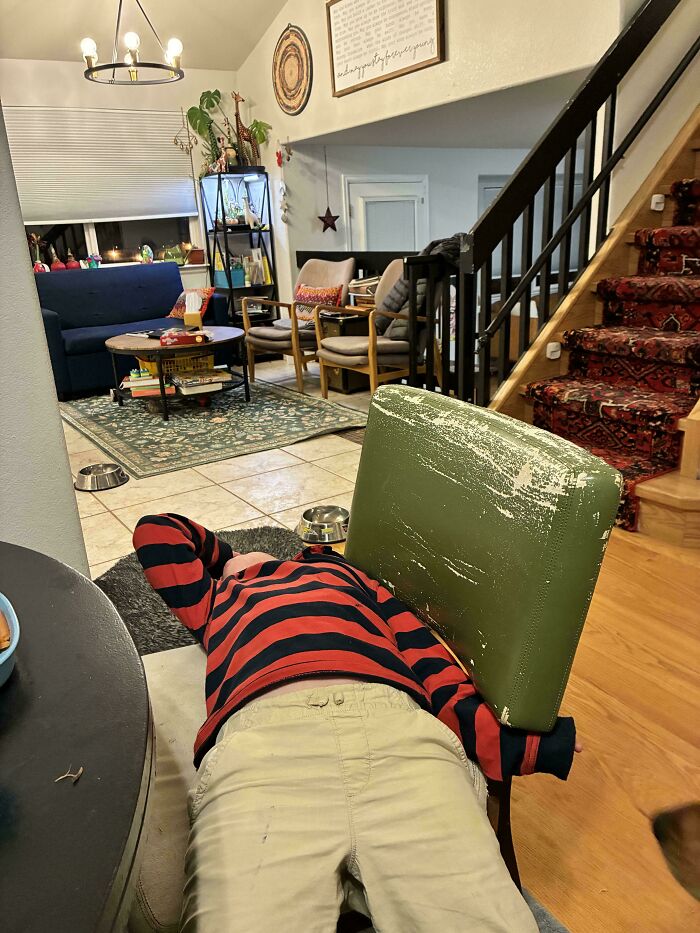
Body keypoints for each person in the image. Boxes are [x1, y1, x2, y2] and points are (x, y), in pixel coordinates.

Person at [134, 512, 579, 933]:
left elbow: (431, 663)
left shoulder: (348, 577)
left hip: (394, 734)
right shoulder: (215, 603)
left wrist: (516, 745)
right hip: (262, 750)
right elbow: (157, 533)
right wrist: (225, 559)